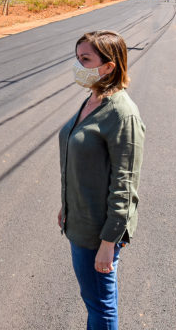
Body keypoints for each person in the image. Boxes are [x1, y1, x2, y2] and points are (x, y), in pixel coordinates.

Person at [58, 31, 145, 330]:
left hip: (98, 232)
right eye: (77, 57)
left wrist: (109, 242)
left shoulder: (122, 114)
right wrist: (66, 205)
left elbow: (125, 183)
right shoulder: (92, 99)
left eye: (86, 59)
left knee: (101, 307)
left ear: (109, 66)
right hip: (79, 222)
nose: (78, 65)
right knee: (93, 300)